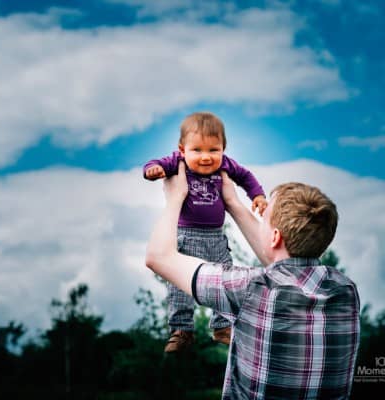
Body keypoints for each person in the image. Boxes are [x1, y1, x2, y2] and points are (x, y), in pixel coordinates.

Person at [145, 162, 360, 399]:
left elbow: (158, 257)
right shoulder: (346, 292)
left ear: (275, 236)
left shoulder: (250, 288)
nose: (261, 224)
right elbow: (284, 261)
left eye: (264, 218)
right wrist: (233, 203)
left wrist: (175, 197)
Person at [143, 112, 267, 352]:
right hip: (186, 236)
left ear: (223, 149)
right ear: (182, 150)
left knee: (227, 280)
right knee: (180, 285)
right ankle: (182, 330)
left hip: (217, 238)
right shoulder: (176, 163)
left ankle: (223, 326)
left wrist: (258, 196)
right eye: (197, 150)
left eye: (214, 150)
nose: (206, 157)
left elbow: (246, 177)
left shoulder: (227, 165)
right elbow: (151, 164)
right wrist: (154, 170)